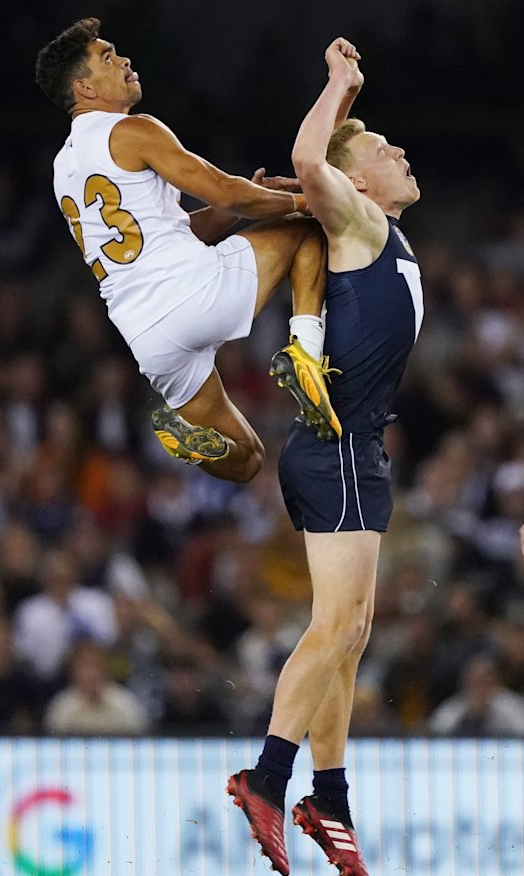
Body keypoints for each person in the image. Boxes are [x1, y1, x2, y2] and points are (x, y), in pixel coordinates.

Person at [227, 37, 423, 876]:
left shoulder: (371, 224)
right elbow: (313, 157)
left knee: (350, 635)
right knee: (336, 628)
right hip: (337, 448)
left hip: (346, 450)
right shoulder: (360, 217)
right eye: (384, 151)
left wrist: (347, 115)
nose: (401, 153)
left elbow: (324, 160)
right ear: (358, 183)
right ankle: (268, 779)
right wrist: (337, 87)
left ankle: (330, 798)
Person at [35, 18, 343, 484]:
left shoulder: (63, 167)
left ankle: (197, 446)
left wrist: (247, 205)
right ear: (84, 87)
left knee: (248, 458)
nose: (123, 60)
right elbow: (228, 193)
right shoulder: (133, 130)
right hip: (191, 291)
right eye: (107, 56)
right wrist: (311, 200)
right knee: (307, 230)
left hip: (146, 335)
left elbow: (173, 233)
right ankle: (306, 354)